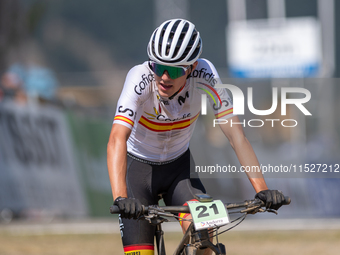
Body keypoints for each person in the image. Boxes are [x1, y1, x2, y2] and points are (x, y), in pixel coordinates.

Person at [107, 18, 286, 255]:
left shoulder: (206, 75)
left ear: (191, 68)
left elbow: (236, 135)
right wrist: (121, 199)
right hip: (137, 171)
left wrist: (262, 189)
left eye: (173, 70)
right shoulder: (139, 77)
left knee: (204, 235)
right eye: (159, 68)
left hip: (179, 171)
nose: (164, 77)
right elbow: (117, 139)